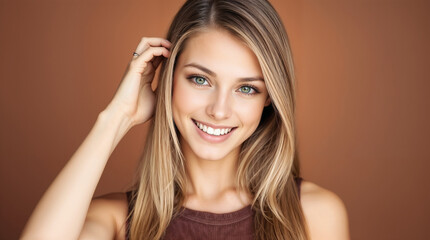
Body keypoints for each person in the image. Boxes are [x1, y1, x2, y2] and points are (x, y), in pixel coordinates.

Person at [21, 0, 349, 239]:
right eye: (200, 80)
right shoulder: (117, 220)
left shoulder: (313, 215)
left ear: (269, 100)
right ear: (168, 79)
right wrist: (115, 119)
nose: (219, 110)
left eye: (246, 88)